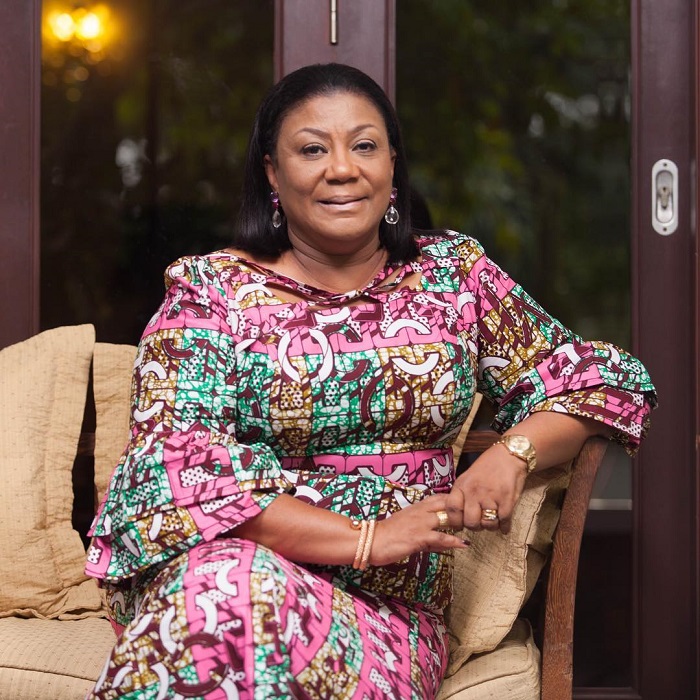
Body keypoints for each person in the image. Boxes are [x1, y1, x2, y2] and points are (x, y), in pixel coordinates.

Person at [85, 63, 656, 699]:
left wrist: (512, 452)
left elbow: (602, 380)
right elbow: (173, 470)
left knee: (230, 600)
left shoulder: (452, 277)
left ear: (392, 165)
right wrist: (371, 538)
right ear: (272, 172)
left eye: (364, 145)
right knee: (232, 588)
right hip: (224, 577)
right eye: (311, 149)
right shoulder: (210, 292)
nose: (341, 169)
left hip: (388, 611)